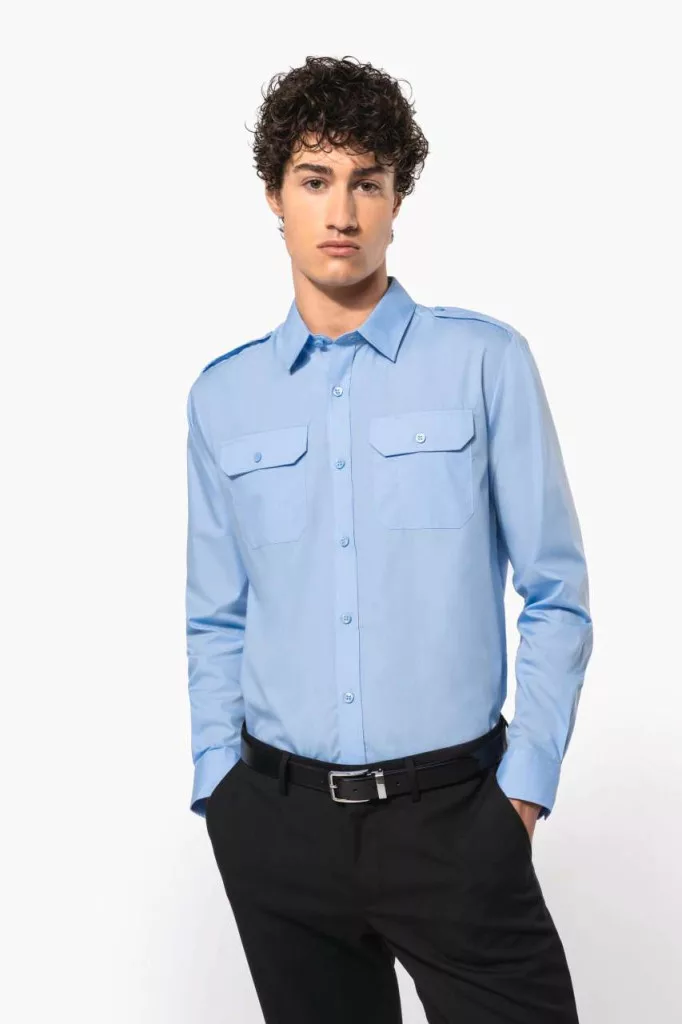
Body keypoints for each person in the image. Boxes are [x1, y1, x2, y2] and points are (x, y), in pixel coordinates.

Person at [184, 54, 593, 1024]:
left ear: (397, 198)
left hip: (455, 823)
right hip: (277, 829)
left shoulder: (485, 362)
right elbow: (215, 615)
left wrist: (521, 793)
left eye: (367, 182)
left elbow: (555, 591)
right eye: (314, 180)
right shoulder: (223, 395)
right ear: (274, 196)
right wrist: (221, 787)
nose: (342, 212)